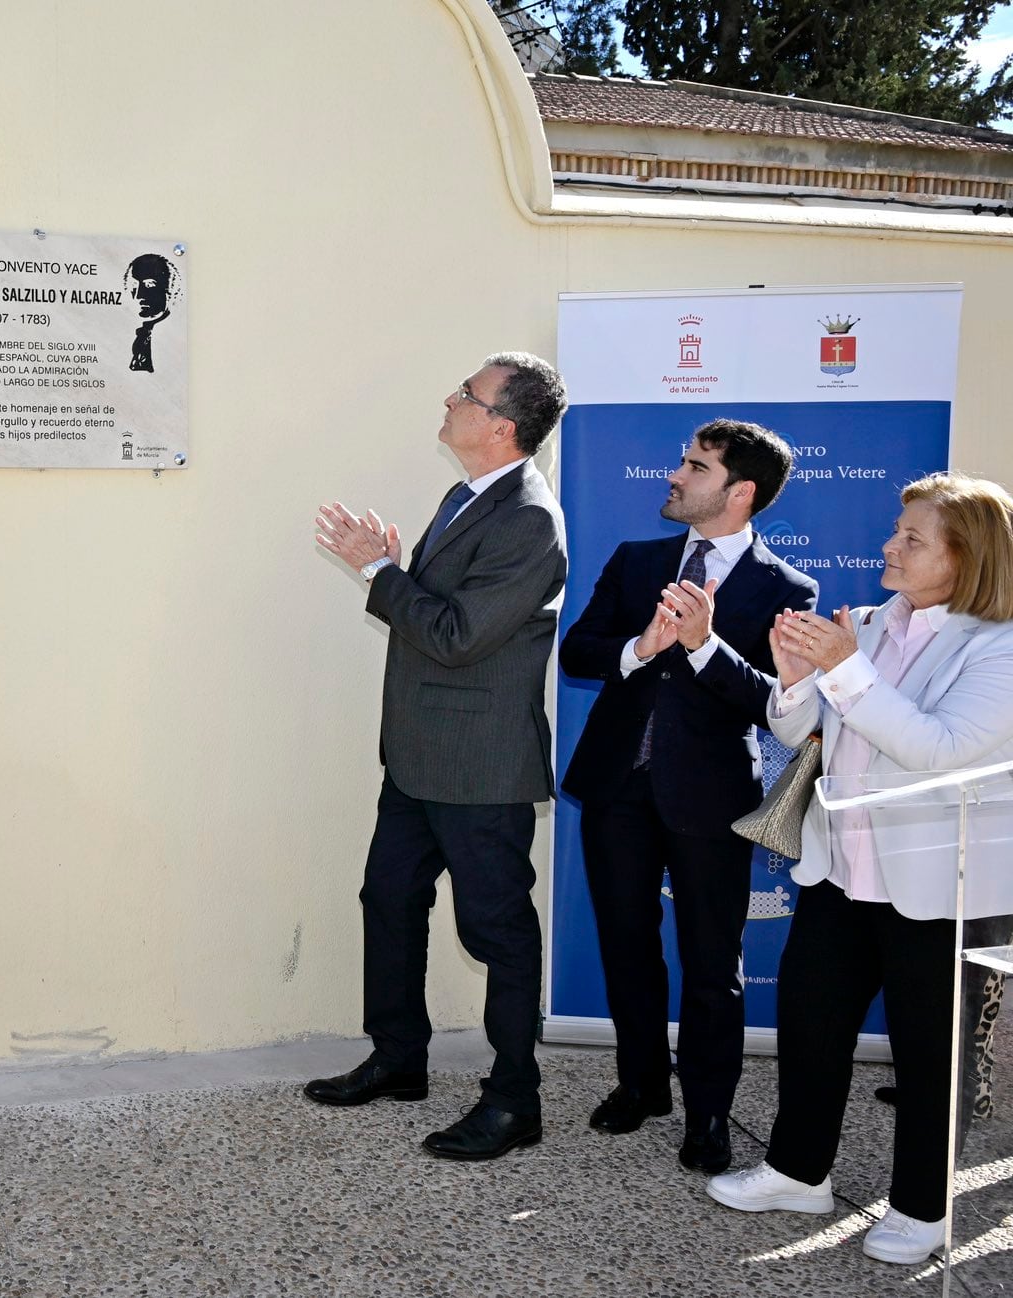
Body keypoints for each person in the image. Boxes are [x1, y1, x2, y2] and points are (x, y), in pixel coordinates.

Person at [707, 472, 1013, 1266]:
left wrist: (843, 669)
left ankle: (924, 1208)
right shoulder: (870, 624)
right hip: (842, 872)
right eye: (895, 531)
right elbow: (805, 727)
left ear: (967, 557)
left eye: (913, 538)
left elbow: (936, 748)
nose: (890, 546)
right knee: (812, 1031)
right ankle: (796, 1171)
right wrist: (797, 679)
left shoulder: (1003, 644)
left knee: (929, 1058)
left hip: (944, 888)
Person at [311, 352, 569, 1161]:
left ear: (502, 426)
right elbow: (441, 614)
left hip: (480, 766)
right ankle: (398, 1058)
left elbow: (457, 637)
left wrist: (382, 571)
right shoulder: (468, 495)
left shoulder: (530, 518)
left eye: (468, 394)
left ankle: (513, 1100)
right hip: (420, 756)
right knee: (388, 898)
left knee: (497, 930)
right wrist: (394, 570)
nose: (450, 399)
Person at [558, 420, 817, 1173]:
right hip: (615, 790)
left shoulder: (787, 589)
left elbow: (775, 703)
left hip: (711, 800)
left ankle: (708, 1113)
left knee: (712, 962)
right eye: (681, 460)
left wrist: (704, 646)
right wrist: (643, 647)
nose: (675, 474)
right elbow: (578, 650)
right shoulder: (638, 561)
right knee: (627, 946)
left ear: (740, 492)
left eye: (694, 466)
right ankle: (642, 1086)